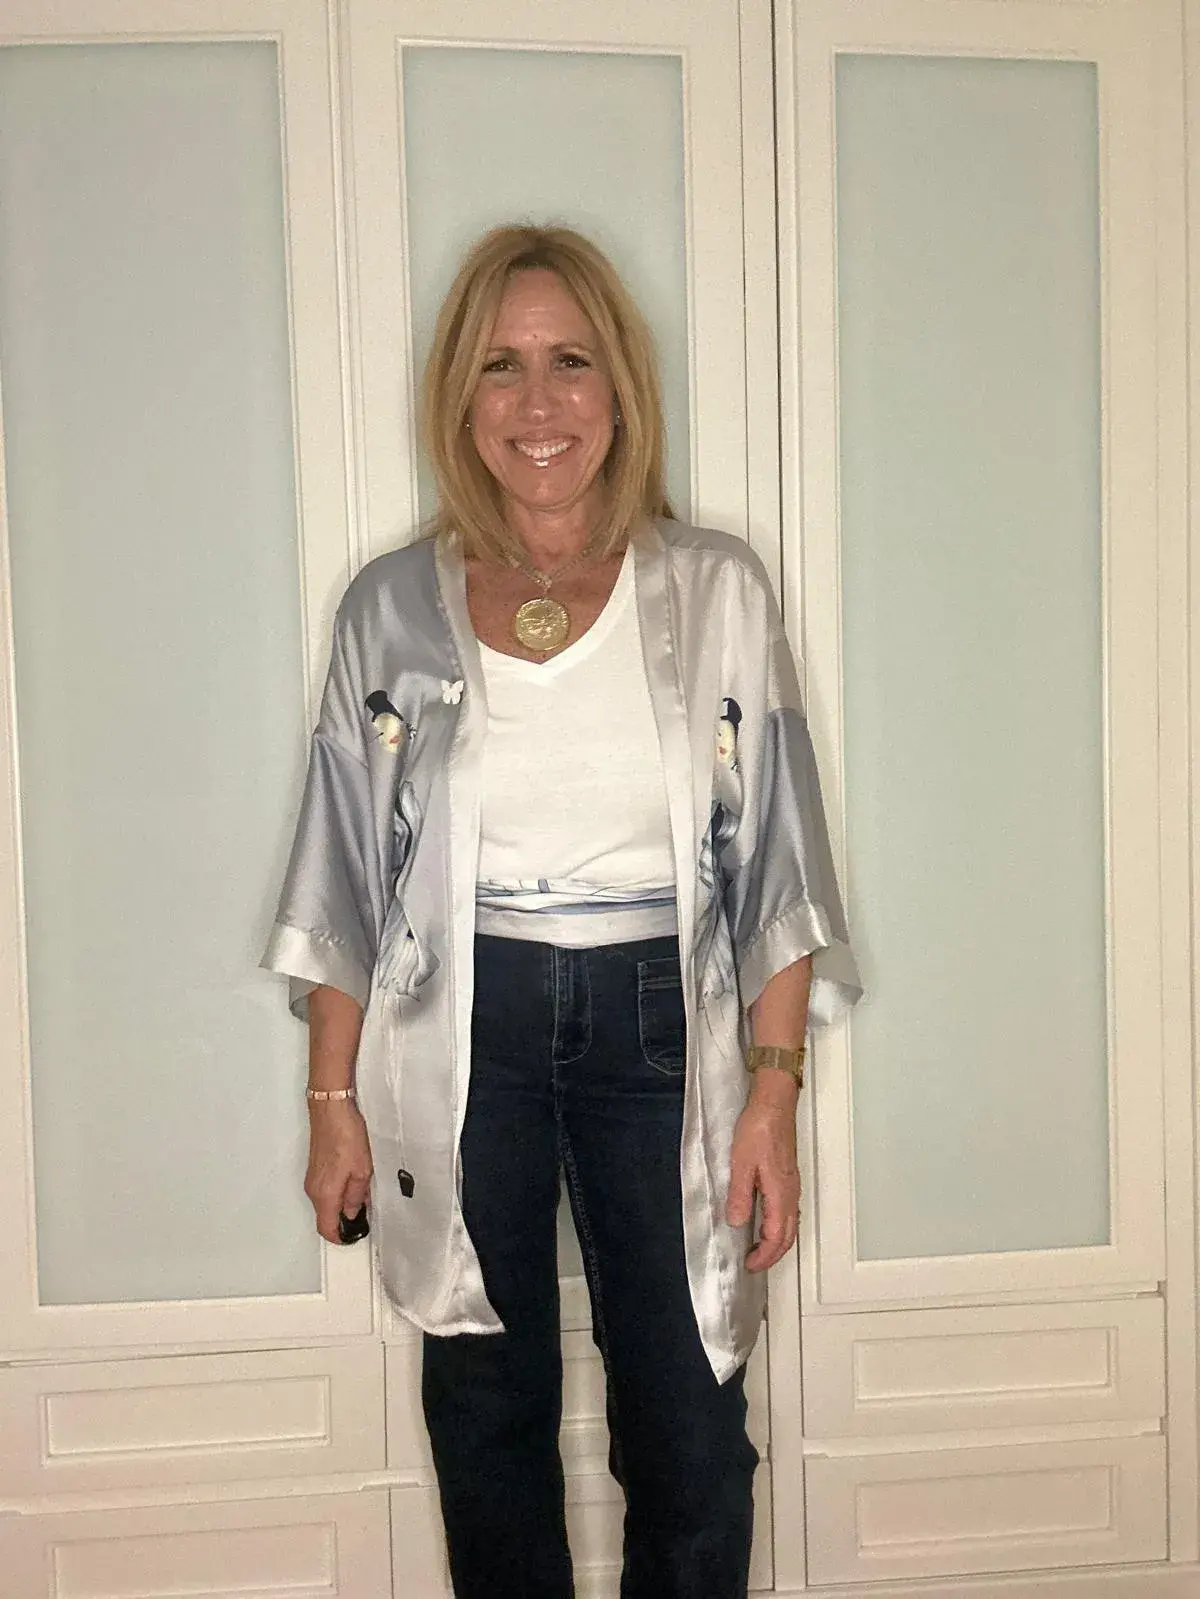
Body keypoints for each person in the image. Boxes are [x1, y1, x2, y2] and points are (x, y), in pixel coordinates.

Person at [263, 224, 860, 1599]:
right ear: (460, 400)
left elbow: (779, 866)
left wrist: (772, 1094)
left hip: (664, 1025)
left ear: (620, 387)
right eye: (502, 366)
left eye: (570, 362)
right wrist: (332, 1100)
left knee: (690, 1417)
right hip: (461, 1031)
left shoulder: (716, 590)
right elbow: (343, 875)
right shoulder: (390, 608)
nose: (539, 403)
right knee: (485, 1414)